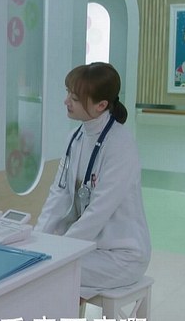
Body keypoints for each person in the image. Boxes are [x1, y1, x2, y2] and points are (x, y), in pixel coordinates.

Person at [35, 62, 151, 301]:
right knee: (39, 264)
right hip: (87, 247)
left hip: (120, 256)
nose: (66, 101)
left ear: (101, 105)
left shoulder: (120, 144)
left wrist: (63, 249)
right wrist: (38, 239)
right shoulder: (75, 138)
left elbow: (100, 210)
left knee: (49, 273)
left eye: (75, 98)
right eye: (68, 93)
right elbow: (59, 194)